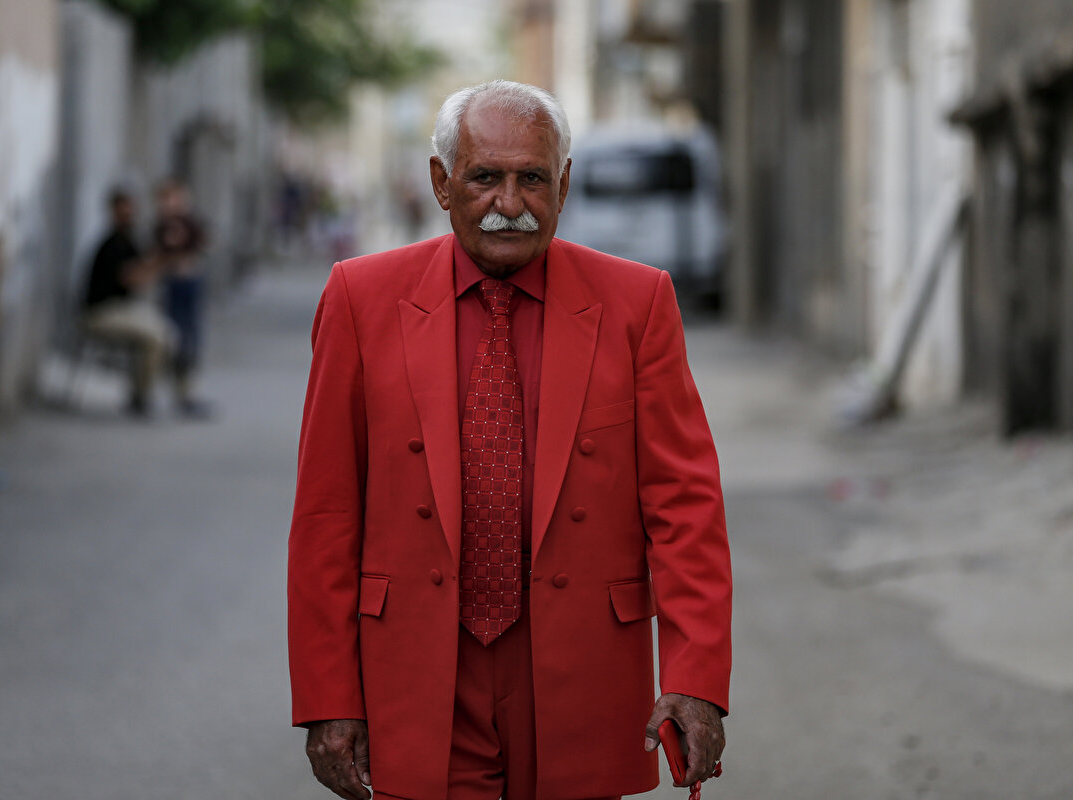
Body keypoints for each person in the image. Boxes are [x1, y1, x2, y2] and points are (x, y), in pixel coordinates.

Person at [288, 80, 732, 800]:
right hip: (417, 667)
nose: (509, 205)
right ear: (440, 183)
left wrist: (696, 680)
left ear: (563, 184)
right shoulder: (359, 299)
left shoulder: (636, 302)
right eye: (484, 179)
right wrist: (329, 697)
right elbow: (325, 515)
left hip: (580, 665)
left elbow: (686, 509)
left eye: (532, 179)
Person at [82, 189, 172, 417]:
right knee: (156, 337)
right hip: (101, 313)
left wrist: (157, 261)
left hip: (121, 309)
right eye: (123, 209)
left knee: (166, 333)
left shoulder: (129, 241)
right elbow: (132, 279)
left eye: (131, 209)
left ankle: (167, 393)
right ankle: (141, 397)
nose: (128, 214)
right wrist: (159, 258)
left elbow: (141, 277)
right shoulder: (112, 244)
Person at [153, 179, 212, 417]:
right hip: (173, 284)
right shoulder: (161, 226)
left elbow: (203, 242)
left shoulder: (189, 223)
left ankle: (186, 392)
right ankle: (177, 390)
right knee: (174, 337)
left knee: (191, 337)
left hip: (190, 283)